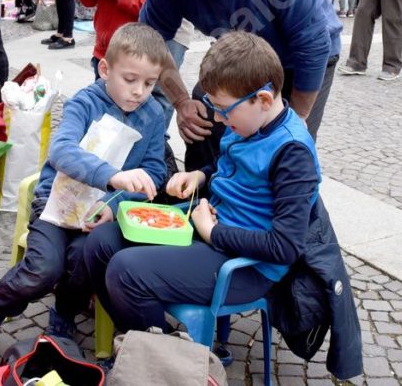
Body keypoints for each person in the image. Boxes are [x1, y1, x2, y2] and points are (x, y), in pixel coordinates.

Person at [83, 32, 362, 381]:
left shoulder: (293, 153)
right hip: (210, 233)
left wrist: (213, 232)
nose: (217, 119)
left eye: (223, 109)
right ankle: (154, 346)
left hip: (247, 267)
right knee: (98, 245)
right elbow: (231, 168)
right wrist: (200, 176)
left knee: (126, 272)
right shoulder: (249, 124)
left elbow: (286, 247)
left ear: (262, 98)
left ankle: (171, 367)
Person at [0, 23, 171, 342]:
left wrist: (112, 203)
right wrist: (111, 175)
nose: (139, 92)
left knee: (85, 261)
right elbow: (62, 150)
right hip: (56, 204)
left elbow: (154, 172)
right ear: (105, 69)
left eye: (149, 83)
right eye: (130, 80)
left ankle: (64, 311)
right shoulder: (85, 102)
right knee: (43, 269)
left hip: (99, 214)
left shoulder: (153, 114)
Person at [140, 0, 342, 172]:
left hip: (303, 56)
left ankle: (284, 210)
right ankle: (200, 200)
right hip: (246, 57)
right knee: (203, 111)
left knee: (286, 150)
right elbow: (150, 45)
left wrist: (294, 119)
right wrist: (181, 102)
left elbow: (312, 44)